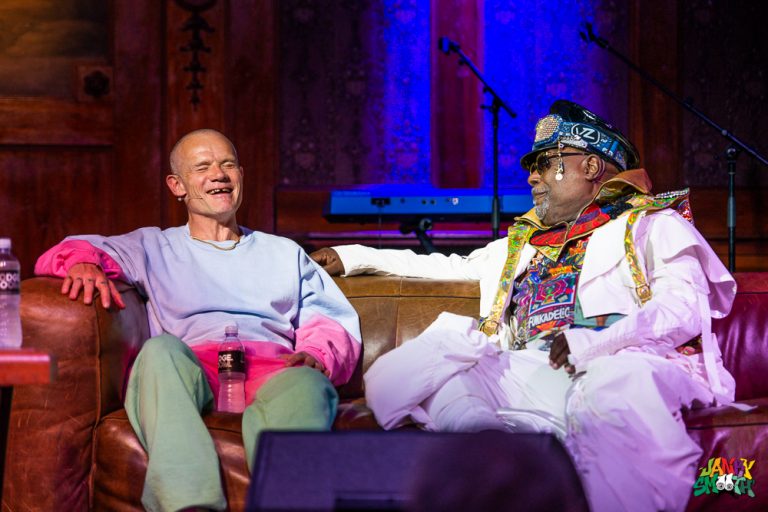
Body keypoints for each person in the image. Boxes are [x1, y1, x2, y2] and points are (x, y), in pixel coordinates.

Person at [311, 100, 736, 511]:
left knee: (615, 382)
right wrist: (350, 256)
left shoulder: (652, 224)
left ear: (590, 167)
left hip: (629, 363)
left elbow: (681, 309)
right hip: (536, 373)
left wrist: (596, 343)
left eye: (546, 163)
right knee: (437, 368)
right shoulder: (523, 245)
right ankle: (505, 465)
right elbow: (444, 265)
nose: (532, 178)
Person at [35, 129, 362, 512]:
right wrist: (84, 263)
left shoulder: (284, 252)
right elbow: (73, 247)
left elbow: (329, 317)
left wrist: (317, 355)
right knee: (159, 352)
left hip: (274, 370)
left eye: (227, 165)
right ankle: (190, 504)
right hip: (191, 367)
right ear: (177, 185)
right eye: (202, 167)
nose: (219, 174)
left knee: (308, 381)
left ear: (241, 174)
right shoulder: (153, 246)